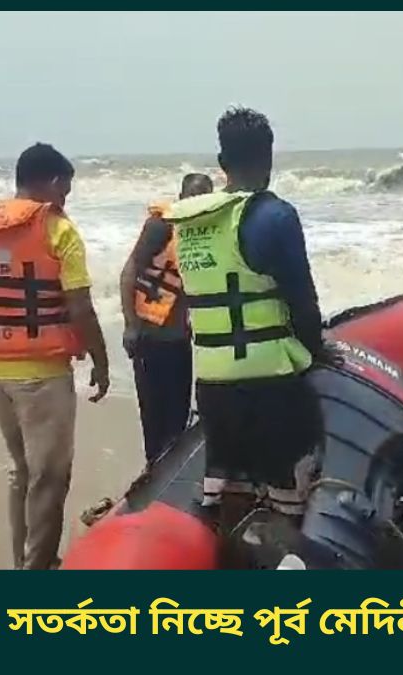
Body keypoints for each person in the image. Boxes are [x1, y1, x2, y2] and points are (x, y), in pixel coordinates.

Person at [0, 143, 110, 570]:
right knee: (50, 478)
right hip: (41, 375)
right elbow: (80, 307)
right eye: (65, 190)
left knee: (23, 471)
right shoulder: (58, 230)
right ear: (53, 182)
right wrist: (101, 360)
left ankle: (24, 563)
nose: (65, 199)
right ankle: (38, 572)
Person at [165, 107, 328, 532]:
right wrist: (317, 351)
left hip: (212, 382)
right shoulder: (274, 216)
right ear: (269, 158)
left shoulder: (190, 221)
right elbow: (302, 300)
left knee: (229, 492)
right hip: (270, 382)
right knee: (289, 493)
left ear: (222, 162)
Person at [119, 173, 213, 468]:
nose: (197, 205)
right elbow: (129, 272)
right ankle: (153, 473)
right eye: (193, 197)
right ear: (181, 197)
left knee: (178, 421)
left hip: (179, 340)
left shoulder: (201, 233)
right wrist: (130, 325)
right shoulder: (160, 226)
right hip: (148, 337)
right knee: (154, 422)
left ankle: (168, 475)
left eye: (204, 199)